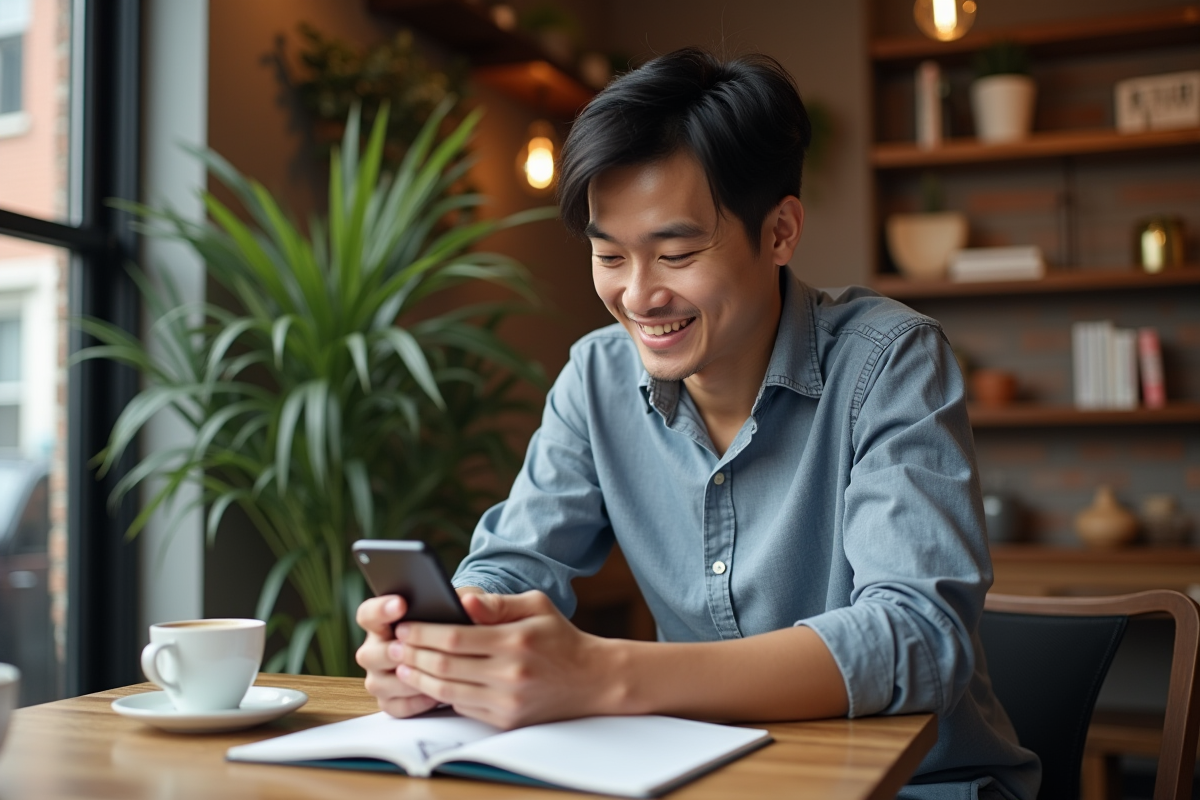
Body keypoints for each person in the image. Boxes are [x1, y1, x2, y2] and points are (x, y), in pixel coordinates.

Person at [356, 48, 1040, 800]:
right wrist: (449, 645)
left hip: (920, 786)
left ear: (780, 232)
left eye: (676, 253)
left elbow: (917, 635)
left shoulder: (889, 362)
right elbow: (512, 565)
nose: (639, 296)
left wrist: (602, 672)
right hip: (709, 780)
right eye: (609, 255)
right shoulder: (596, 377)